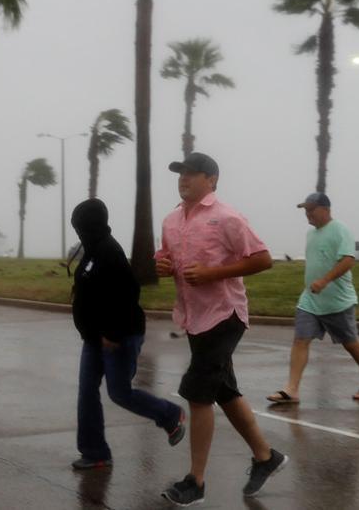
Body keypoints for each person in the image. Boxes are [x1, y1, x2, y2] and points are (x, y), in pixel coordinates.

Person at [154, 153, 288, 505]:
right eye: (180, 174)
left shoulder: (226, 217)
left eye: (192, 174)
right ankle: (265, 457)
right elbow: (165, 256)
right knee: (224, 391)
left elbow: (262, 258)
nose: (183, 179)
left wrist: (213, 273)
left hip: (224, 315)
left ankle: (195, 483)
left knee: (198, 393)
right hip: (193, 316)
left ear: (211, 180)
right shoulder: (170, 220)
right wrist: (163, 265)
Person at [69, 198, 186, 471]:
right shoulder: (91, 251)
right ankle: (95, 452)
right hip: (94, 337)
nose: (78, 232)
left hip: (118, 336)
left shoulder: (109, 252)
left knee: (119, 393)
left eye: (81, 226)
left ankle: (170, 415)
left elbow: (127, 294)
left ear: (93, 225)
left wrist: (112, 333)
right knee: (87, 392)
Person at [266, 193, 359, 405]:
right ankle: (291, 389)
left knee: (350, 342)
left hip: (337, 300)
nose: (307, 214)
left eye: (311, 209)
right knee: (300, 339)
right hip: (310, 300)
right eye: (305, 210)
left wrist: (325, 280)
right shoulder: (311, 234)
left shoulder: (340, 230)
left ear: (326, 209)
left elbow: (348, 260)